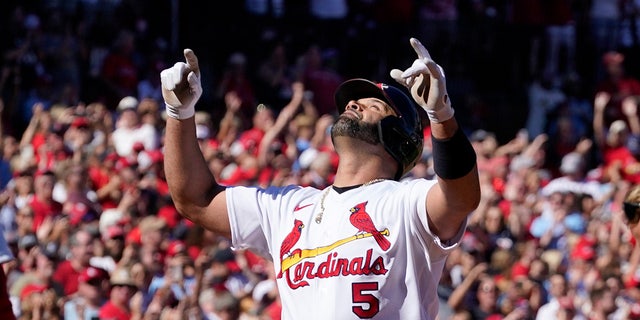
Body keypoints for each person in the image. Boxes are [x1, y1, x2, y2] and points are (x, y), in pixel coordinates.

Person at [160, 37, 480, 319]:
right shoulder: (288, 207)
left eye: (373, 106)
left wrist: (441, 116)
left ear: (398, 135)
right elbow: (195, 199)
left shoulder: (407, 201)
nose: (352, 104)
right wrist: (179, 115)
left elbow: (462, 197)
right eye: (352, 102)